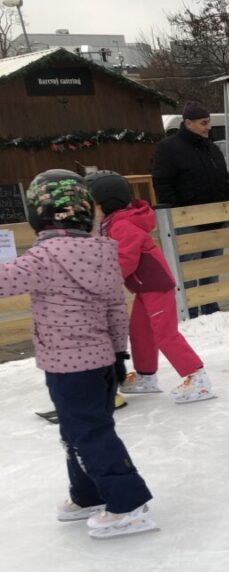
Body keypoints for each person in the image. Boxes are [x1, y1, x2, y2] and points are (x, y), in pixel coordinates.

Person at [0, 170, 156, 537]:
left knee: (88, 434)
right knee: (79, 431)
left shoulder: (43, 257)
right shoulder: (103, 252)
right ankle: (89, 494)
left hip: (67, 366)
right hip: (101, 361)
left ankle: (129, 503)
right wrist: (118, 355)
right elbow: (115, 309)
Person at [87, 171, 214, 404]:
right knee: (139, 331)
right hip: (144, 289)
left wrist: (103, 281)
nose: (89, 211)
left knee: (165, 334)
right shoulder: (113, 224)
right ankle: (146, 376)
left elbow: (125, 260)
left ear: (107, 203)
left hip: (156, 287)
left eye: (92, 205)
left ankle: (198, 379)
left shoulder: (122, 226)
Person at [151, 100, 229, 318]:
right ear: (188, 123)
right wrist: (177, 212)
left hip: (217, 216)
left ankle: (211, 306)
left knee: (211, 265)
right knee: (188, 267)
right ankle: (190, 310)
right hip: (187, 219)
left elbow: (223, 176)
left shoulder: (211, 147)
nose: (208, 127)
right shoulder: (169, 148)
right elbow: (162, 183)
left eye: (209, 122)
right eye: (203, 123)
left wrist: (226, 201)